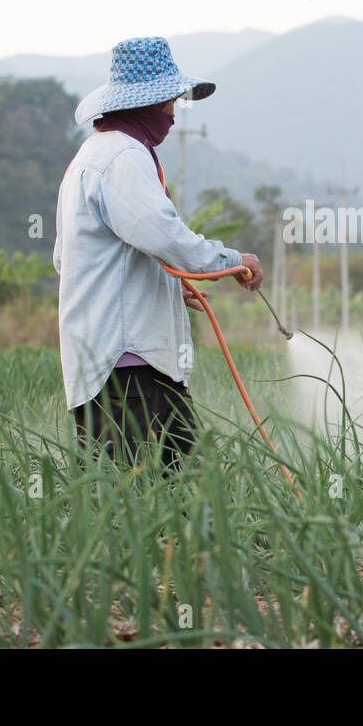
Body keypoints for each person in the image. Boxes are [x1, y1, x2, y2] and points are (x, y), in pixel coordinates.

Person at [53, 36, 263, 469]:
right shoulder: (123, 157)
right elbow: (164, 237)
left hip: (108, 359)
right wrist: (232, 261)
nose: (172, 111)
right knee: (166, 487)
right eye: (167, 100)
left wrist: (166, 286)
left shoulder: (90, 157)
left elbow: (70, 260)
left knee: (133, 490)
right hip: (128, 362)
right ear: (143, 104)